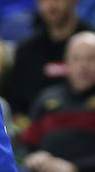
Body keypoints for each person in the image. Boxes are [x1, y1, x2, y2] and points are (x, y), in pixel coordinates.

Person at [3, 0, 93, 119]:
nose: (50, 6)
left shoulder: (92, 45)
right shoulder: (26, 51)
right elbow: (17, 107)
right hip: (38, 135)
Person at [17, 30, 95, 171]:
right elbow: (25, 144)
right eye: (76, 59)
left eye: (91, 58)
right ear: (67, 63)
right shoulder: (47, 97)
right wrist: (33, 157)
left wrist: (75, 167)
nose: (84, 65)